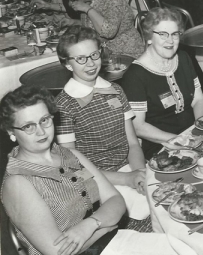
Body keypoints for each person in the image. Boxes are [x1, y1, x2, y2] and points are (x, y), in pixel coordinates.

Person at [0, 85, 126, 255]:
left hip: (108, 242)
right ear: (11, 131)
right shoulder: (18, 183)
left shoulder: (71, 155)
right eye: (28, 126)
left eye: (44, 120)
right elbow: (58, 251)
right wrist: (105, 227)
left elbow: (116, 200)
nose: (41, 131)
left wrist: (90, 225)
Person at [55, 26, 150, 227]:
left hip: (130, 168)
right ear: (67, 64)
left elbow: (132, 143)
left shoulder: (115, 90)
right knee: (144, 218)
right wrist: (126, 179)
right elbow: (72, 167)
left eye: (94, 55)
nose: (90, 63)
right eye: (80, 59)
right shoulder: (64, 105)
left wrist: (140, 173)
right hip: (97, 180)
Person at [121, 8, 203, 159]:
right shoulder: (135, 75)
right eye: (163, 34)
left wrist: (201, 130)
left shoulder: (183, 58)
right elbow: (138, 127)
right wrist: (179, 141)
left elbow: (198, 100)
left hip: (192, 135)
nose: (170, 40)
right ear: (149, 37)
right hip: (160, 144)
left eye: (175, 34)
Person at [64, 0, 145, 58]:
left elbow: (108, 32)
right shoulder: (89, 0)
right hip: (105, 53)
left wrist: (87, 9)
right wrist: (73, 22)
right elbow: (93, 26)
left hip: (125, 54)